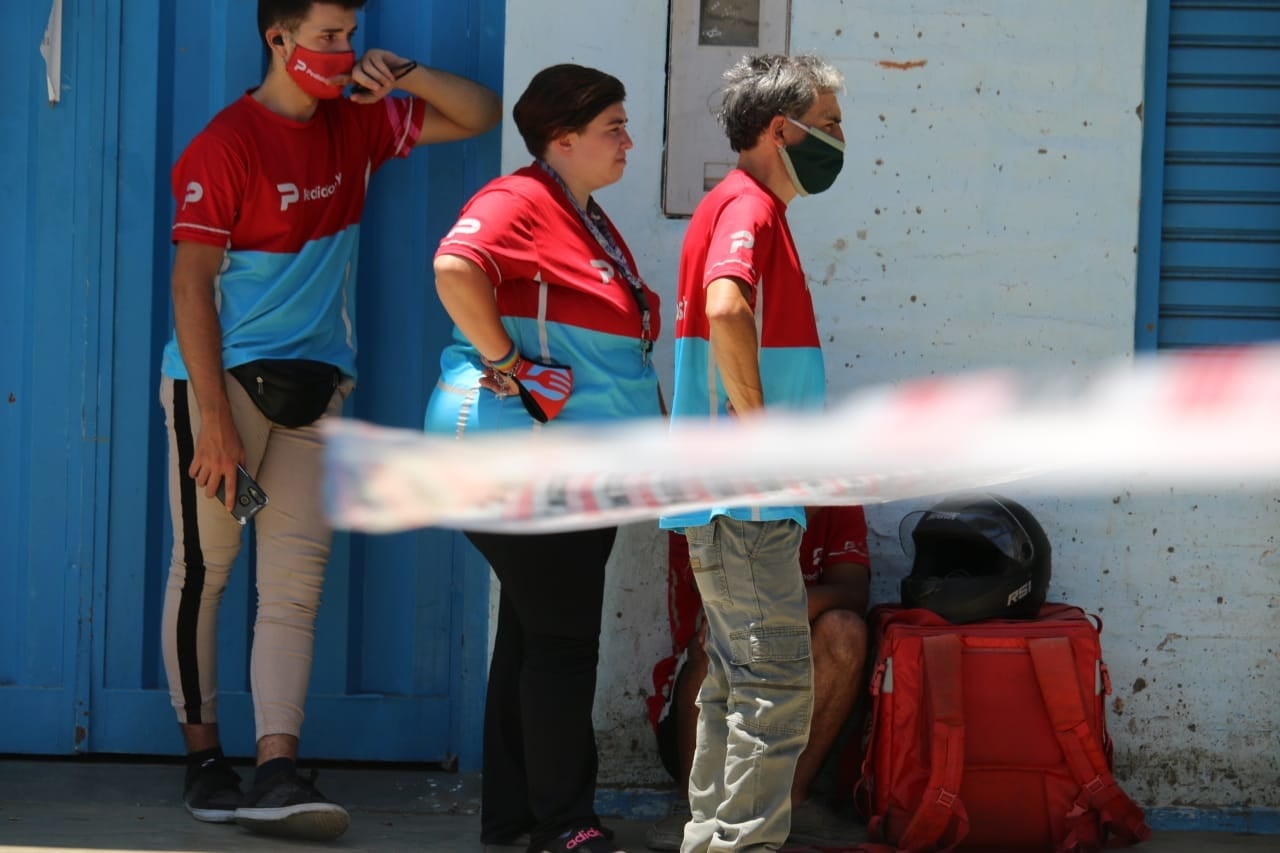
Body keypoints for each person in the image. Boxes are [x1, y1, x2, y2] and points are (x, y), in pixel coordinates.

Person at [159, 0, 500, 841]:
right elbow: (190, 286)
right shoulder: (224, 144)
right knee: (207, 569)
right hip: (224, 386)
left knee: (294, 589)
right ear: (278, 40)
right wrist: (212, 418)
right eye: (327, 38)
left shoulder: (361, 124)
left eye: (349, 36)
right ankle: (205, 760)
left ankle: (276, 768)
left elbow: (482, 112)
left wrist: (404, 74)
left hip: (320, 387)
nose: (344, 53)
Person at [422, 64, 663, 853]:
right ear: (562, 141)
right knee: (562, 643)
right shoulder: (518, 199)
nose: (629, 140)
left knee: (531, 636)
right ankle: (567, 823)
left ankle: (516, 819)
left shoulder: (581, 214)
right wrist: (511, 365)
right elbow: (455, 268)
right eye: (613, 128)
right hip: (525, 463)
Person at [657, 53, 847, 852]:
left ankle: (715, 837)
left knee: (735, 685)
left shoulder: (742, 206)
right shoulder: (750, 209)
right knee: (773, 686)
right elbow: (728, 304)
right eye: (830, 124)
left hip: (734, 495)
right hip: (746, 496)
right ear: (782, 129)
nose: (841, 140)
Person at [645, 507, 870, 850]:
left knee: (748, 667)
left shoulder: (832, 498)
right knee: (761, 683)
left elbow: (854, 591)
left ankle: (715, 830)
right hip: (755, 511)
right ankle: (725, 832)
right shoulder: (780, 486)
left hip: (733, 506)